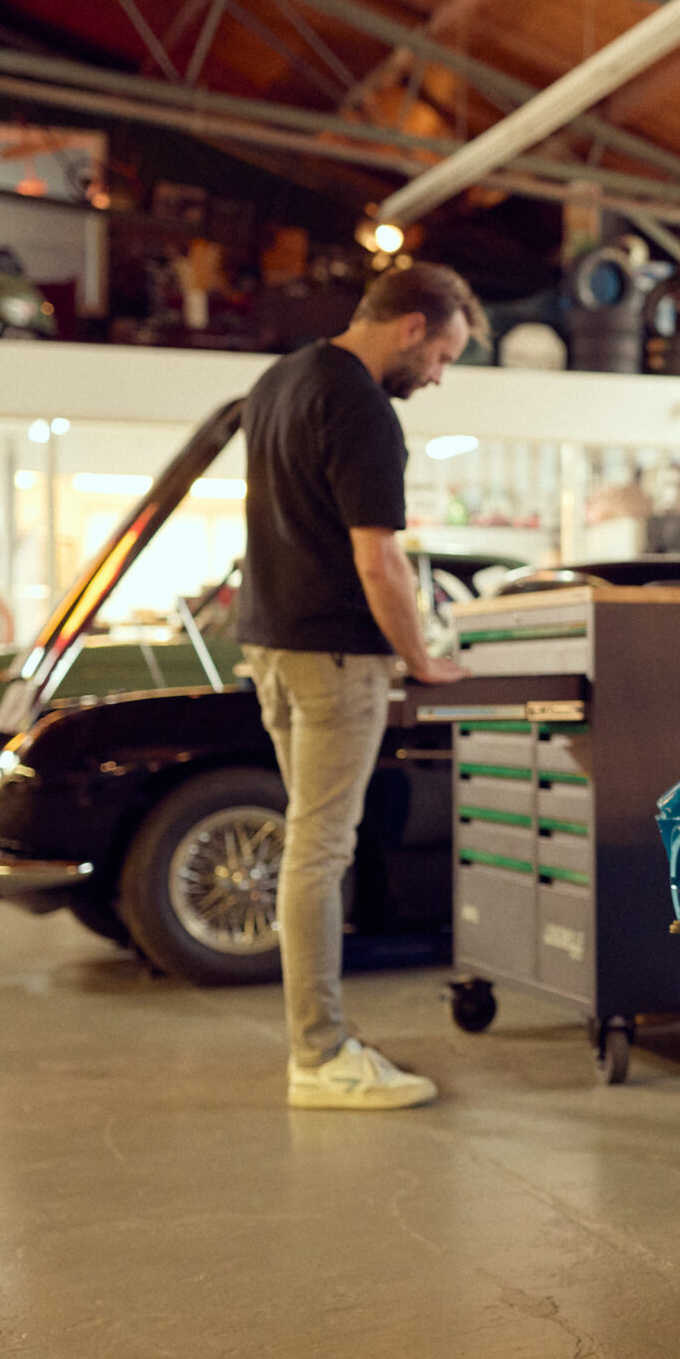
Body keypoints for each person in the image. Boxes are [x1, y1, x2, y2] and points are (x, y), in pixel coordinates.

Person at [235, 262, 480, 1110]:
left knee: (309, 846)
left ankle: (321, 1042)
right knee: (319, 852)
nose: (438, 376)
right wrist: (421, 658)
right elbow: (377, 560)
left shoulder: (279, 382)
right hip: (335, 656)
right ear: (412, 327)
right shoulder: (363, 407)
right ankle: (320, 1056)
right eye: (442, 356)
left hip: (272, 646)